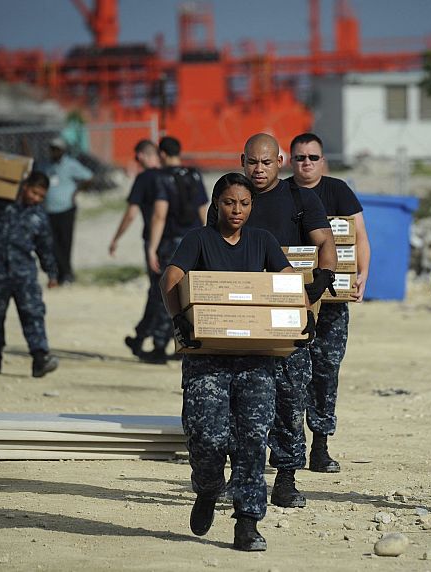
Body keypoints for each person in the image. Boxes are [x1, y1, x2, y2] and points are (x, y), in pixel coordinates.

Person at [160, 172, 315, 551]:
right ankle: (209, 488)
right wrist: (179, 319)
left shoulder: (262, 241)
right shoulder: (199, 239)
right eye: (230, 202)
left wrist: (304, 311)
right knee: (206, 436)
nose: (237, 210)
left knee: (251, 440)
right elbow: (171, 277)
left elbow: (286, 280)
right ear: (216, 204)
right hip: (207, 359)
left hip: (255, 360)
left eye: (245, 204)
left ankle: (247, 521)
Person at [207, 133, 337, 508]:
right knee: (238, 403)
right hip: (240, 316)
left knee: (289, 398)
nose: (258, 169)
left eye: (266, 162)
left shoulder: (300, 198)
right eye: (252, 162)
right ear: (242, 159)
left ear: (279, 161)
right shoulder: (230, 198)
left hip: (285, 315)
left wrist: (321, 281)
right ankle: (238, 477)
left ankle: (286, 478)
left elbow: (325, 243)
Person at [287, 132, 371, 473]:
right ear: (290, 161)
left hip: (333, 300)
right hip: (294, 300)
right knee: (291, 375)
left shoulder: (338, 191)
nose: (306, 163)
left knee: (325, 372)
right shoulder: (282, 194)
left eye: (312, 157)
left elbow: (360, 236)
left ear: (323, 160)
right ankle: (290, 447)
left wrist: (363, 274)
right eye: (300, 158)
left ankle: (320, 446)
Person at [0, 169, 61, 378]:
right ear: (25, 187)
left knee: (33, 313)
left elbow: (45, 247)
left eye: (41, 196)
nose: (36, 198)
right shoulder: (2, 203)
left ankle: (40, 358)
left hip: (23, 272)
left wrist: (51, 272)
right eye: (34, 193)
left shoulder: (39, 216)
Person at [143, 136, 209, 364]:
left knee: (167, 292)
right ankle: (187, 340)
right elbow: (204, 210)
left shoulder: (162, 178)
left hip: (171, 242)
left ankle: (160, 345)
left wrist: (152, 248)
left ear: (162, 154)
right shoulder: (194, 174)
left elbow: (159, 214)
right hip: (194, 241)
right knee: (189, 293)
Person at [108, 140, 163, 358]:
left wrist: (116, 238)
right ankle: (152, 337)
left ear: (141, 156)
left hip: (156, 242)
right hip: (183, 240)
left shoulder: (145, 179)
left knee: (157, 292)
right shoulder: (176, 175)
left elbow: (131, 213)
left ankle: (147, 338)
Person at [43, 136, 93, 285]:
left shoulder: (71, 165)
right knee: (52, 243)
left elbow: (89, 177)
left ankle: (67, 273)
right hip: (49, 210)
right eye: (52, 149)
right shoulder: (45, 166)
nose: (54, 152)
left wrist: (76, 192)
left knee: (65, 242)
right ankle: (57, 273)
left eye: (57, 149)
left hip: (66, 209)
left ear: (63, 151)